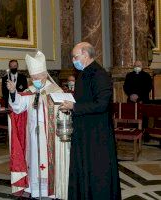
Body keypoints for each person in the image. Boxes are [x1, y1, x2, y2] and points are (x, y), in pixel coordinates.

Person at [60, 42, 121, 200]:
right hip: (83, 131)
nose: (74, 60)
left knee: (97, 172)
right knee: (83, 168)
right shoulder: (84, 73)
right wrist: (71, 106)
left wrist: (75, 107)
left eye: (75, 56)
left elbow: (102, 104)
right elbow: (83, 100)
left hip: (96, 134)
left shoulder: (99, 74)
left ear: (86, 55)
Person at [6, 51, 70, 199]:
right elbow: (17, 107)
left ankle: (51, 190)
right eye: (33, 77)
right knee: (34, 163)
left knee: (48, 164)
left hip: (50, 137)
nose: (35, 80)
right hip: (33, 136)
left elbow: (64, 113)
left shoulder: (56, 91)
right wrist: (14, 92)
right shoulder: (30, 91)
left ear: (45, 75)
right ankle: (35, 190)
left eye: (38, 77)